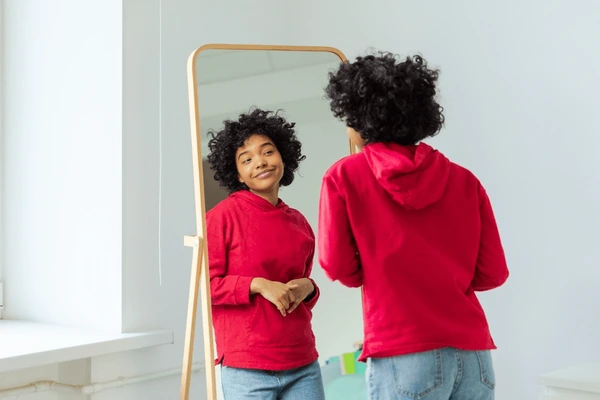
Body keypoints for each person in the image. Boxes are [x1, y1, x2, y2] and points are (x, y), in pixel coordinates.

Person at [318, 52, 509, 400]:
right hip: (474, 355)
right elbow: (493, 274)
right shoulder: (465, 181)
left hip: (402, 352)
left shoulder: (344, 176)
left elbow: (338, 267)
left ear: (361, 118)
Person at [206, 108, 325, 400]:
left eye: (268, 152)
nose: (260, 162)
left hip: (303, 363)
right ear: (237, 174)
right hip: (247, 368)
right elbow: (203, 288)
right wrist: (257, 284)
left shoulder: (298, 222)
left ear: (283, 157)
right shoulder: (221, 217)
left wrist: (309, 288)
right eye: (247, 159)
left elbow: (299, 287)